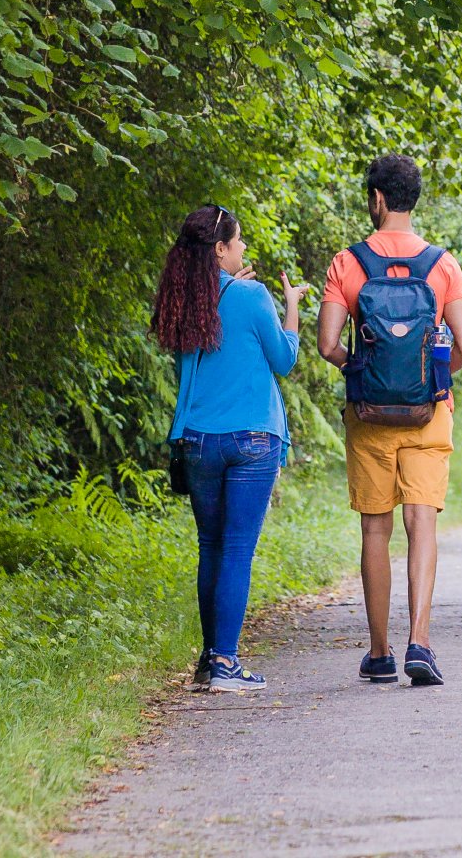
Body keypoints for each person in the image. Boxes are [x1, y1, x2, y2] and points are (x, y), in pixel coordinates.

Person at [317, 155, 462, 687]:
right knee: (422, 525)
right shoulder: (442, 264)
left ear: (377, 199)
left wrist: (361, 371)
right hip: (429, 416)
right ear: (412, 199)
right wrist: (434, 380)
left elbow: (326, 345)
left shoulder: (348, 262)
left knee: (375, 528)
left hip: (369, 419)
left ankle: (380, 652)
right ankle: (421, 643)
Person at [152, 204, 309, 692]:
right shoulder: (252, 296)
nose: (243, 248)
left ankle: (208, 661)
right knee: (238, 549)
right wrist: (291, 306)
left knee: (212, 547)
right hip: (252, 441)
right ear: (220, 249)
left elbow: (200, 350)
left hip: (197, 441)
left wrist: (229, 287)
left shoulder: (182, 301)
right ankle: (226, 662)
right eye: (237, 241)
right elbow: (284, 359)